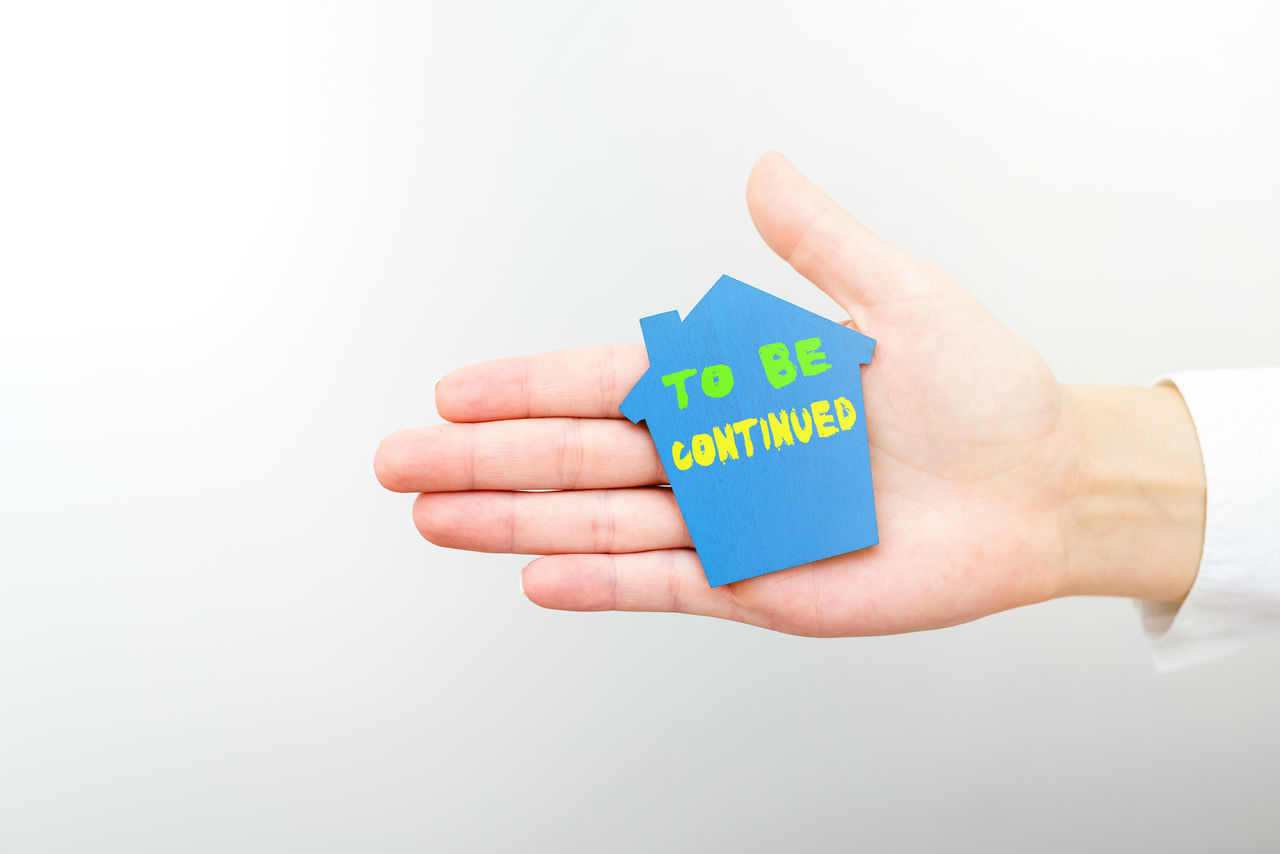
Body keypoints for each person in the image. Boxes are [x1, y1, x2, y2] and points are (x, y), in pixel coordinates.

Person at [374, 152, 1280, 671]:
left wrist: (1065, 480)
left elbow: (827, 360)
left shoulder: (753, 358)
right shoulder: (740, 358)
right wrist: (1071, 477)